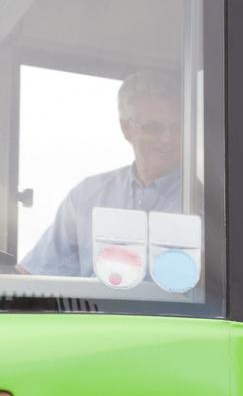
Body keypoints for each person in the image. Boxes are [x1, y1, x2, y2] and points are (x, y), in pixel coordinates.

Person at [18, 69, 184, 277]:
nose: (168, 138)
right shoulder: (86, 196)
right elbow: (34, 273)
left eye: (177, 127)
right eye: (153, 128)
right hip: (93, 309)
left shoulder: (206, 199)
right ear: (126, 129)